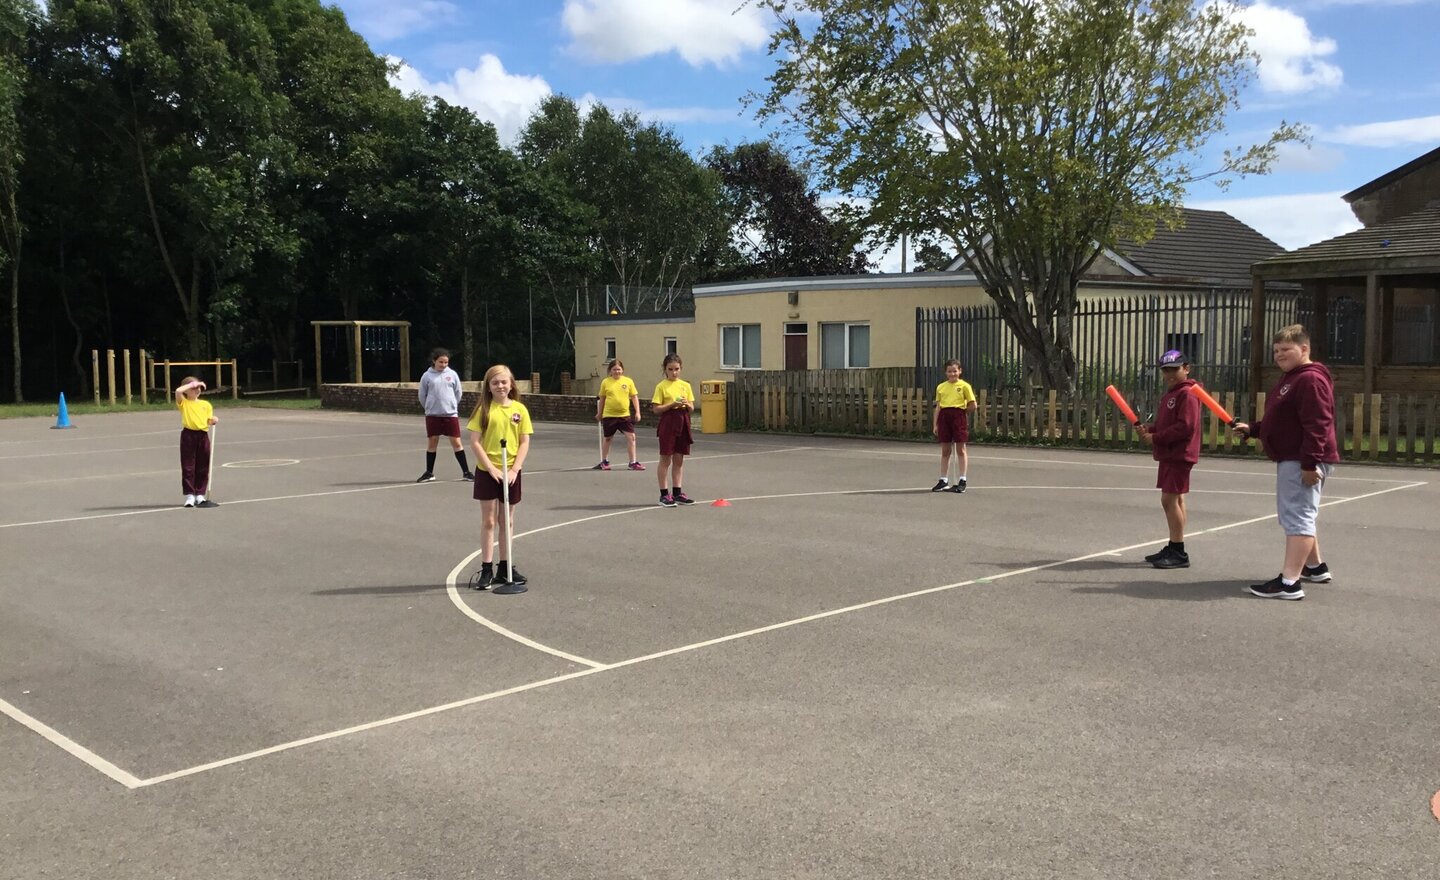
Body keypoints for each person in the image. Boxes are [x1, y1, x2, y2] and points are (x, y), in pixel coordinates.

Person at [1232, 325, 1339, 600]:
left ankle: (1289, 582)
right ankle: (1315, 567)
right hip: (1293, 457)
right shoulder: (1292, 378)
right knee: (1300, 513)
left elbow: (1317, 424)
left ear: (1304, 349)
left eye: (1286, 350)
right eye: (1276, 351)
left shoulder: (1310, 380)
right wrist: (1254, 429)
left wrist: (1309, 463)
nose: (1279, 355)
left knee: (1298, 516)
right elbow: (1281, 419)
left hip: (1301, 459)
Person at [465, 365, 533, 590]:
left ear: (511, 383)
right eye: (495, 383)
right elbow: (475, 442)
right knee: (489, 521)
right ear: (489, 386)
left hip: (511, 471)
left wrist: (514, 469)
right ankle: (487, 568)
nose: (500, 386)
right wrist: (491, 469)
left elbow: (524, 441)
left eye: (504, 382)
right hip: (488, 471)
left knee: (507, 520)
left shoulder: (520, 410)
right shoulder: (483, 410)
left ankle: (506, 567)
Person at [1137, 351, 1202, 569]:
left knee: (1169, 501)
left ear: (1186, 367)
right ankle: (1174, 546)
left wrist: (1156, 437)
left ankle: (1178, 550)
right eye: (1165, 370)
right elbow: (1169, 425)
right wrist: (1151, 429)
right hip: (1170, 453)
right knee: (1177, 500)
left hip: (1179, 454)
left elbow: (1185, 427)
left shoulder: (1188, 394)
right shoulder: (1172, 394)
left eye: (1174, 369)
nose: (1169, 374)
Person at [417, 348, 472, 482]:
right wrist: (430, 407)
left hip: (450, 414)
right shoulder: (427, 376)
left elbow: (458, 393)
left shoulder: (452, 374)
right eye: (441, 362)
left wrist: (451, 406)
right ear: (434, 361)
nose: (443, 365)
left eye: (446, 362)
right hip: (433, 415)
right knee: (432, 442)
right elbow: (422, 395)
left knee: (456, 442)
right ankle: (429, 473)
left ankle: (466, 472)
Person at [651, 353, 696, 507]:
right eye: (670, 369)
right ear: (665, 369)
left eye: (677, 369)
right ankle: (664, 495)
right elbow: (656, 409)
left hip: (683, 421)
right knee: (665, 459)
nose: (674, 372)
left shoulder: (686, 385)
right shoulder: (661, 386)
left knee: (679, 459)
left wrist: (687, 405)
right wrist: (671, 405)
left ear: (680, 369)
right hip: (668, 422)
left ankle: (677, 493)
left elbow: (691, 408)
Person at [931, 359, 977, 492]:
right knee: (945, 450)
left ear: (960, 371)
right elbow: (938, 407)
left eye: (955, 371)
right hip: (944, 417)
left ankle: (962, 479)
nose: (952, 374)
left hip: (958, 415)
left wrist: (962, 414)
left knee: (960, 449)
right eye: (950, 371)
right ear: (946, 372)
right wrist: (935, 424)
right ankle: (943, 480)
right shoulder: (941, 387)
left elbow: (973, 404)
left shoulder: (964, 386)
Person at [175, 376, 219, 508]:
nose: (197, 390)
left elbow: (208, 420)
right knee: (188, 465)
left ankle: (200, 494)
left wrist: (213, 420)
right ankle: (190, 495)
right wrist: (194, 383)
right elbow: (178, 391)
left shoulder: (206, 405)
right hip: (188, 435)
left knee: (203, 465)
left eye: (199, 388)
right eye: (193, 388)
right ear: (187, 390)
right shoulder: (184, 402)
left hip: (202, 435)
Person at [595, 358, 645, 471]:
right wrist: (599, 413)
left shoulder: (628, 381)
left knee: (631, 437)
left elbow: (634, 397)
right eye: (614, 369)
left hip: (624, 415)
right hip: (609, 415)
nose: (617, 372)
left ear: (622, 370)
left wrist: (638, 412)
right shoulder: (605, 382)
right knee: (608, 438)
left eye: (619, 369)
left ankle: (632, 462)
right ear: (610, 370)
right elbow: (602, 399)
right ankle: (604, 461)